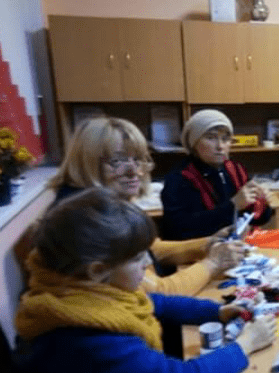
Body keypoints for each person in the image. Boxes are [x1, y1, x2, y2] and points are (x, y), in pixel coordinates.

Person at [15, 188, 278, 373]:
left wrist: (217, 311)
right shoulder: (91, 338)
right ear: (97, 270)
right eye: (137, 258)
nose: (147, 264)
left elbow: (157, 302)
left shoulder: (85, 294)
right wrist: (245, 344)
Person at [49, 116, 245, 297]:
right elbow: (158, 293)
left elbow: (151, 249)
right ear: (86, 164)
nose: (133, 172)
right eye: (117, 161)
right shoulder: (87, 220)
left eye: (137, 159)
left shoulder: (98, 202)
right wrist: (213, 263)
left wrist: (206, 244)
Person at [160, 109, 275, 241]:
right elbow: (177, 230)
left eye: (225, 139)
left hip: (236, 244)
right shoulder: (179, 178)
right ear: (194, 143)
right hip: (199, 249)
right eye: (211, 138)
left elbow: (256, 219)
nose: (220, 146)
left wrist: (262, 204)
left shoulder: (236, 170)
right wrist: (233, 206)